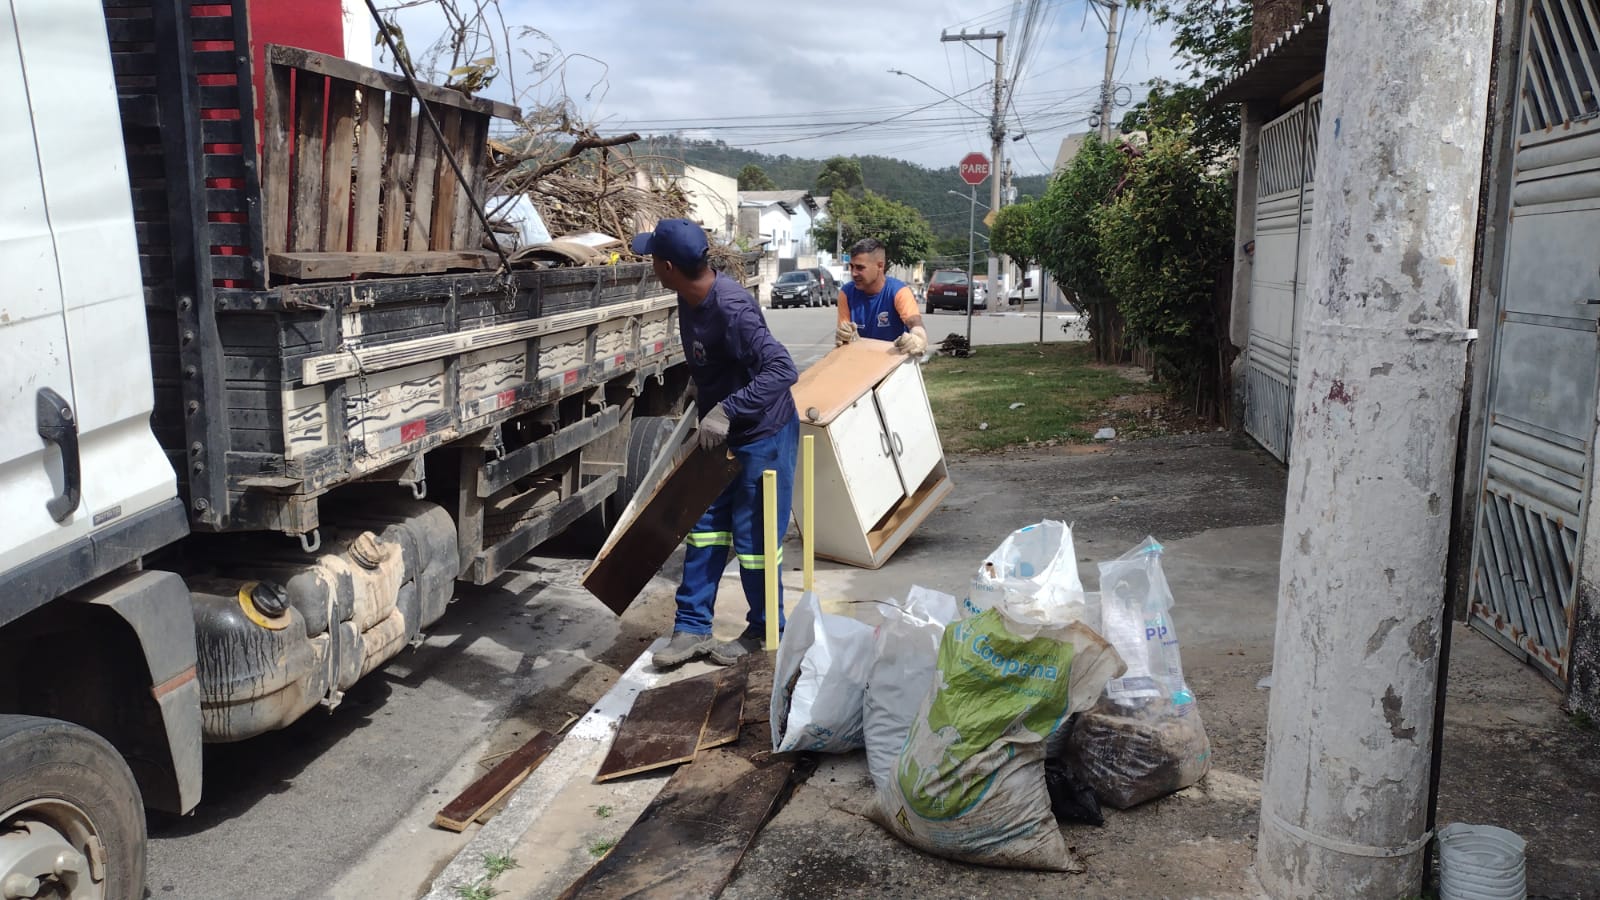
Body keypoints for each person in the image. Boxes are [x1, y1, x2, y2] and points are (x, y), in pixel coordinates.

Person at [630, 219, 800, 669]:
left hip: (762, 434)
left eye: (652, 259)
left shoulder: (732, 308)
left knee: (755, 540)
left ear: (667, 266)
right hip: (721, 434)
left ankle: (766, 628)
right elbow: (716, 357)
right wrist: (699, 385)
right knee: (705, 527)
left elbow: (782, 370)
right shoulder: (689, 296)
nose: (651, 265)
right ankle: (691, 627)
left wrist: (727, 409)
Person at [833, 237, 929, 356]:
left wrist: (918, 337)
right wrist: (843, 335)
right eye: (851, 266)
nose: (853, 273)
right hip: (859, 363)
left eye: (860, 267)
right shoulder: (846, 293)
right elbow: (843, 332)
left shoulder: (898, 291)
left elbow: (914, 322)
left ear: (880, 266)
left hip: (894, 365)